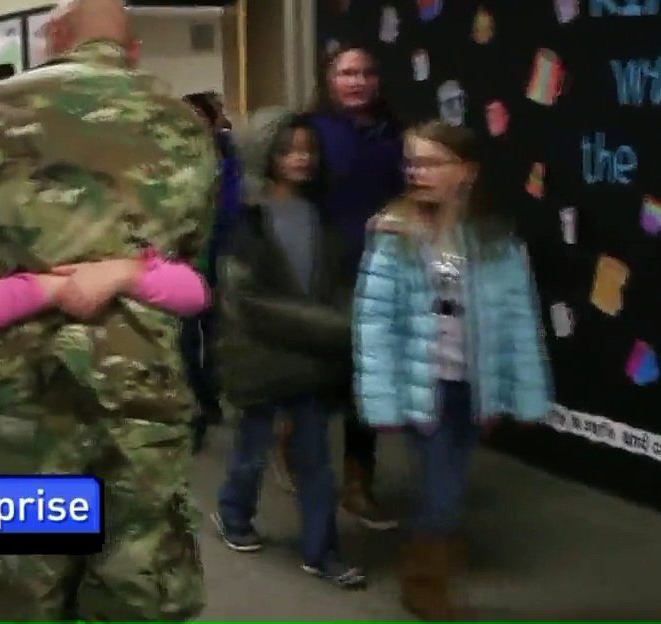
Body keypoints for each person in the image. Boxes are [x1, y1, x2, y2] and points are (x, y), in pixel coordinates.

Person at [0, 0, 218, 621]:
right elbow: (191, 255)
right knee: (137, 585)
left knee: (15, 588)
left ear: (53, 38)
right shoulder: (184, 120)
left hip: (20, 392)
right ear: (130, 49)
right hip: (140, 391)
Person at [353, 120, 552, 619]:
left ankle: (439, 556)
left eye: (431, 162)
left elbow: (516, 319)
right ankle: (424, 582)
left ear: (466, 171)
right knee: (440, 485)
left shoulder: (494, 239)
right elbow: (373, 323)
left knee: (452, 480)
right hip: (425, 386)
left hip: (472, 384)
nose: (418, 173)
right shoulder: (394, 234)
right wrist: (381, 399)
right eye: (413, 162)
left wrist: (521, 394)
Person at [212, 109, 365, 589]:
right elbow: (248, 302)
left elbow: (337, 284)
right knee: (251, 453)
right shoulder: (244, 220)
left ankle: (322, 551)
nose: (300, 158)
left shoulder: (324, 218)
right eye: (288, 149)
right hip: (261, 360)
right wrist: (335, 329)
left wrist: (335, 327)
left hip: (312, 364)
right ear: (266, 153)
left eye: (308, 149)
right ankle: (233, 514)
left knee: (316, 461)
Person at [275, 45, 404, 531]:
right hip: (322, 274)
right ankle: (289, 441)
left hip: (381, 273)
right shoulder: (309, 130)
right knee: (317, 375)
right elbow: (288, 197)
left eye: (367, 72)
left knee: (366, 386)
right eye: (348, 72)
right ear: (329, 79)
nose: (358, 81)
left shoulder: (395, 133)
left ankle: (358, 484)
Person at [0, 239, 209, 333]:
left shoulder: (129, 229)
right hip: (24, 404)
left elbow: (194, 293)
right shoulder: (1, 226)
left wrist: (123, 273)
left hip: (124, 409)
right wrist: (50, 288)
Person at [179, 91, 243, 450]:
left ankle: (213, 394)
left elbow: (233, 207)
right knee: (185, 340)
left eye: (199, 115)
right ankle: (198, 407)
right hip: (184, 262)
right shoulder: (170, 157)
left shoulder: (228, 156)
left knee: (217, 333)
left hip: (220, 254)